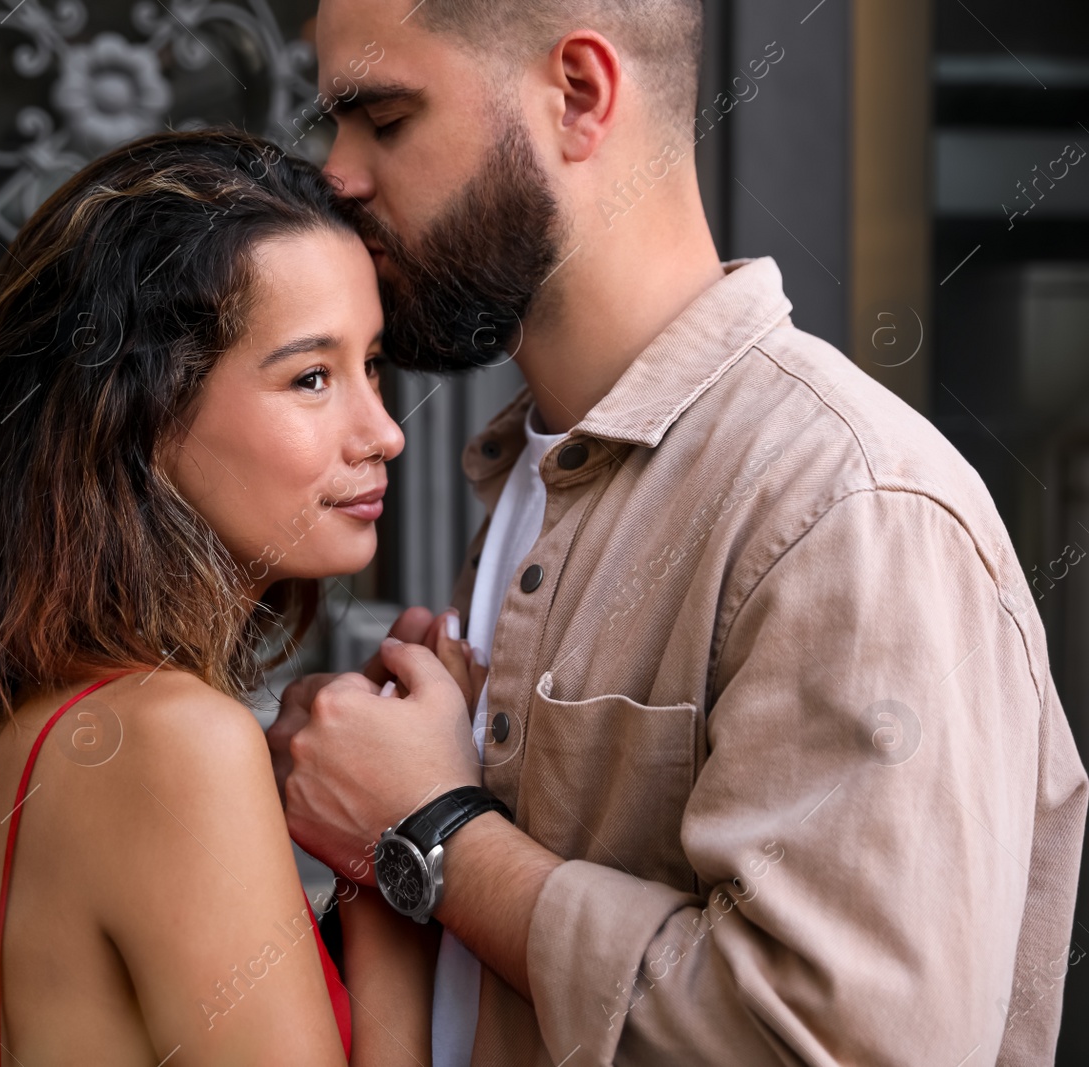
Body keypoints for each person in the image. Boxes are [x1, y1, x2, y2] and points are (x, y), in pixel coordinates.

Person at [271, 2, 1089, 1065]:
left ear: (578, 96)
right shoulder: (528, 470)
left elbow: (843, 1046)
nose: (336, 173)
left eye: (381, 118)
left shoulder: (849, 505)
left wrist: (435, 832)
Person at [0, 130, 444, 1066]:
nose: (384, 430)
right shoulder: (172, 740)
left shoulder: (31, 731)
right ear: (140, 415)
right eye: (311, 377)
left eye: (372, 364)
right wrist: (397, 851)